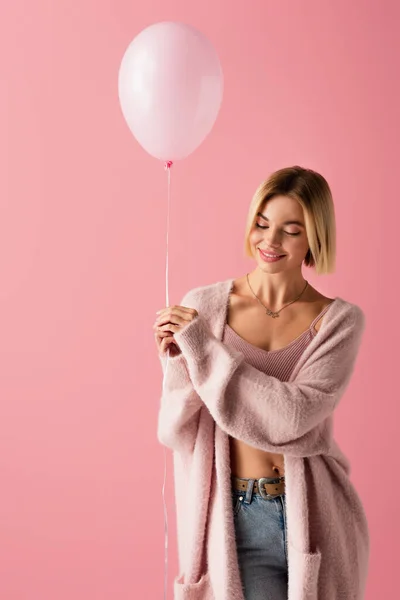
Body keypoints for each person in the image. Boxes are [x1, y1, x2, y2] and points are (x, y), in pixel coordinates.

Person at [154, 166, 369, 600]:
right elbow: (174, 428)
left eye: (291, 230)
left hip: (316, 515)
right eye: (262, 224)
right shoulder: (205, 308)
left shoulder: (339, 321)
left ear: (314, 238)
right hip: (236, 517)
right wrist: (179, 363)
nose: (269, 242)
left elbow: (294, 416)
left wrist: (205, 352)